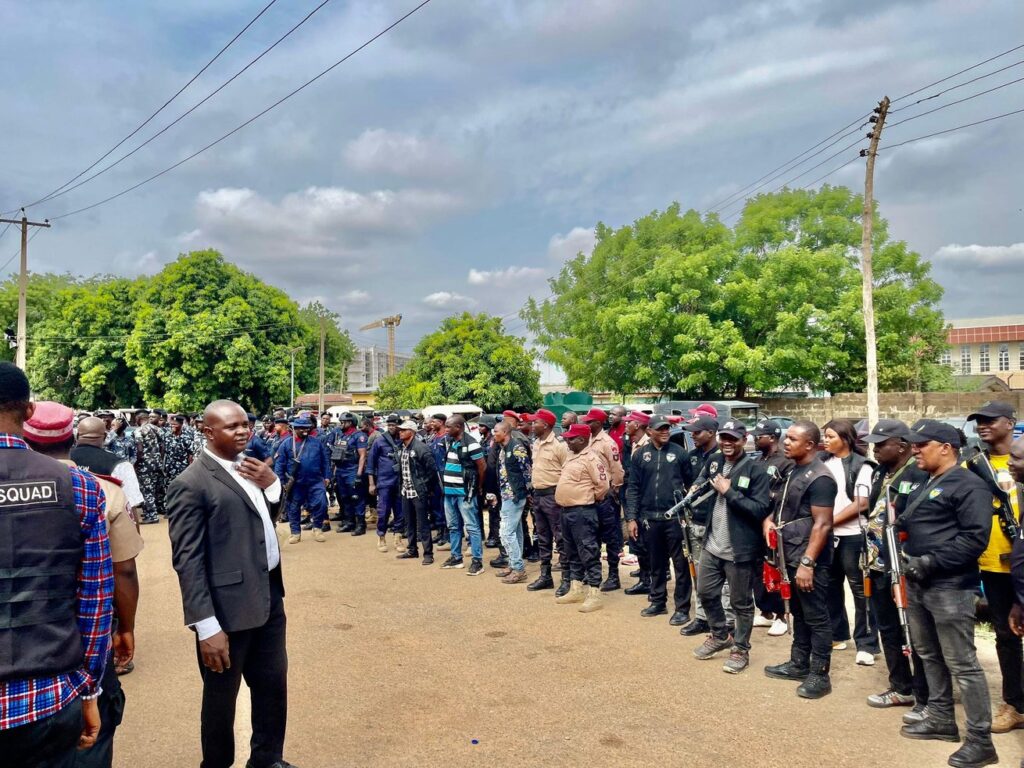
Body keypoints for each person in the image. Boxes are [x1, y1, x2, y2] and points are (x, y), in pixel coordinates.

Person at [167, 400, 297, 768]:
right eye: (232, 426)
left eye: (245, 424)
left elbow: (259, 521)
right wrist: (206, 625)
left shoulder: (250, 467)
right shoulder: (191, 483)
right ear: (208, 432)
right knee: (221, 700)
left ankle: (267, 759)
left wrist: (273, 487)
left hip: (268, 597)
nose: (243, 431)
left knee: (272, 686)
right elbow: (187, 560)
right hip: (226, 610)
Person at [0, 364, 114, 766]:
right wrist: (90, 689)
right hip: (48, 700)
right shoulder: (79, 487)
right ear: (29, 412)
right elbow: (95, 602)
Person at [23, 404, 144, 768]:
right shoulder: (101, 489)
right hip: (87, 635)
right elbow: (124, 571)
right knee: (92, 737)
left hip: (27, 637)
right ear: (70, 437)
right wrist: (125, 627)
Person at [898, 419, 997, 768]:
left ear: (946, 448)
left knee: (963, 664)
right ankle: (941, 719)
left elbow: (974, 538)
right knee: (927, 653)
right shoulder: (928, 479)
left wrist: (930, 562)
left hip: (950, 586)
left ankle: (981, 741)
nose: (915, 450)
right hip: (919, 582)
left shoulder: (970, 485)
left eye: (921, 444)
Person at [860, 419, 931, 716]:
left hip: (904, 565)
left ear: (902, 446)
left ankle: (926, 696)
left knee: (916, 633)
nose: (874, 450)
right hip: (877, 564)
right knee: (888, 628)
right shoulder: (879, 471)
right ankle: (901, 686)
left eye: (881, 444)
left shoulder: (919, 473)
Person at [763, 421, 837, 699]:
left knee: (816, 616)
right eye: (787, 437)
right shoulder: (793, 469)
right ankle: (798, 663)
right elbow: (781, 507)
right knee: (799, 611)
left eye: (793, 439)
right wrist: (769, 521)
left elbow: (823, 524)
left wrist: (808, 563)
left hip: (809, 559)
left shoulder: (821, 478)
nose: (786, 442)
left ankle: (820, 675)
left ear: (810, 445)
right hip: (789, 554)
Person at [692, 420, 772, 674]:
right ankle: (720, 635)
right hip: (712, 544)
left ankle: (740, 649)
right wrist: (696, 486)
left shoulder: (756, 470)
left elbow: (760, 509)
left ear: (744, 440)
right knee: (705, 592)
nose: (727, 443)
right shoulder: (715, 460)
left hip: (740, 550)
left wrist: (729, 492)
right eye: (724, 438)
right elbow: (704, 476)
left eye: (733, 439)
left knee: (741, 603)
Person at [963, 401, 1024, 733]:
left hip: (1021, 562)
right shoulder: (973, 464)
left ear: (1010, 423)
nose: (982, 426)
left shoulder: (1020, 461)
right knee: (1006, 636)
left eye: (990, 420)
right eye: (979, 421)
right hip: (993, 566)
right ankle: (1015, 704)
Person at [820, 418, 879, 665]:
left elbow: (861, 503)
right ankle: (837, 635)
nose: (825, 440)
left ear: (845, 439)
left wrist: (829, 522)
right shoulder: (823, 463)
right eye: (824, 436)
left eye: (830, 436)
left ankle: (867, 644)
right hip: (828, 537)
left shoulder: (861, 466)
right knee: (830, 586)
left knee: (860, 590)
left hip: (853, 536)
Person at [624, 416, 693, 625]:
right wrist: (631, 518)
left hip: (675, 519)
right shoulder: (640, 455)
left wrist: (688, 514)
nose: (665, 432)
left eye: (667, 428)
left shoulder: (680, 453)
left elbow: (691, 485)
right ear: (649, 432)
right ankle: (658, 601)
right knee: (656, 563)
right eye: (660, 429)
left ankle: (682, 608)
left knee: (681, 565)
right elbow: (633, 488)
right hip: (650, 519)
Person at [554, 423, 609, 612]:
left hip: (582, 511)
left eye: (571, 438)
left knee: (588, 551)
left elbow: (603, 486)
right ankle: (576, 589)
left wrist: (588, 498)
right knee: (571, 551)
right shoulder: (571, 455)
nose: (567, 441)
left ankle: (594, 593)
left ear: (582, 439)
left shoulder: (592, 458)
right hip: (566, 511)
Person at [679, 414, 721, 636]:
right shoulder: (692, 456)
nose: (693, 436)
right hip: (695, 520)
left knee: (721, 578)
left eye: (697, 432)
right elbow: (689, 486)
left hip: (718, 524)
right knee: (698, 571)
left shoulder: (723, 456)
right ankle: (702, 617)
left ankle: (724, 623)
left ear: (711, 433)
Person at [751, 419, 793, 636]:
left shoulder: (785, 462)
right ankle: (765, 611)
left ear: (773, 438)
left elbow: (784, 496)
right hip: (754, 522)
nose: (755, 439)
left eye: (759, 436)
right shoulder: (757, 460)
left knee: (775, 567)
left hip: (774, 523)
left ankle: (782, 615)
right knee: (758, 569)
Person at [580, 407, 625, 591]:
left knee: (611, 537)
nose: (586, 423)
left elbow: (617, 469)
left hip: (606, 496)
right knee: (592, 536)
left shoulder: (607, 442)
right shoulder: (588, 439)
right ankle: (593, 573)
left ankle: (614, 575)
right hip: (589, 495)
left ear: (598, 423)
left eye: (589, 421)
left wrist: (614, 489)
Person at [74, 417, 145, 530]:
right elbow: (130, 506)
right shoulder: (120, 464)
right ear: (105, 436)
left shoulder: (59, 462)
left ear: (77, 435)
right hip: (104, 531)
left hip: (66, 531)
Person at [527, 408, 568, 591]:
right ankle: (545, 576)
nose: (532, 425)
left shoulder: (559, 445)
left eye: (535, 422)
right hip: (538, 495)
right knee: (543, 537)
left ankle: (567, 578)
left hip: (554, 496)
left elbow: (567, 471)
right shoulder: (536, 443)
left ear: (545, 425)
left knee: (561, 538)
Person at [439, 415, 486, 574]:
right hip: (449, 492)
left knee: (472, 527)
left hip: (465, 492)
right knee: (453, 526)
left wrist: (478, 487)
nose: (446, 429)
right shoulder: (452, 441)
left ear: (458, 427)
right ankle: (456, 558)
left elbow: (482, 466)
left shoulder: (471, 443)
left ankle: (477, 561)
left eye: (448, 427)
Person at [274, 417, 331, 544]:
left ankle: (317, 528)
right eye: (301, 428)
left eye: (307, 428)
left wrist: (327, 476)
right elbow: (279, 465)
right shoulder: (286, 444)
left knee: (321, 504)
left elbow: (325, 461)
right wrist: (282, 482)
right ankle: (295, 533)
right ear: (294, 428)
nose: (305, 430)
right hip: (296, 483)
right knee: (293, 507)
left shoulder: (316, 443)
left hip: (315, 481)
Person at [492, 419, 532, 584]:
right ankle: (513, 563)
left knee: (506, 533)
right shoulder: (503, 448)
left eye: (496, 431)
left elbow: (527, 471)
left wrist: (528, 492)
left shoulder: (517, 447)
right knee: (515, 531)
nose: (494, 434)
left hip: (515, 496)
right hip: (507, 495)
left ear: (505, 432)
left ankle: (518, 568)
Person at [395, 419, 440, 565]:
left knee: (423, 524)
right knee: (409, 523)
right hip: (406, 490)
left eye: (403, 430)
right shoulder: (402, 447)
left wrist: (426, 488)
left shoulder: (421, 448)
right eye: (400, 430)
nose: (400, 432)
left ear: (411, 432)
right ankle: (412, 549)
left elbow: (432, 470)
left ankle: (428, 554)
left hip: (418, 491)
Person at [622, 411, 653, 597]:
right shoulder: (634, 443)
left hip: (644, 501)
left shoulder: (648, 445)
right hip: (635, 498)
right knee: (638, 541)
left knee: (646, 542)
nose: (626, 425)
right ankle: (644, 576)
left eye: (630, 422)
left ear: (639, 425)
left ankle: (648, 580)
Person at [367, 414, 405, 553]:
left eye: (394, 425)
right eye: (389, 425)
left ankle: (398, 538)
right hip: (384, 482)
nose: (391, 427)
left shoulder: (403, 439)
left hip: (401, 482)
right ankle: (381, 536)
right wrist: (371, 483)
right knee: (383, 511)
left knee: (400, 512)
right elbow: (370, 463)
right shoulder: (380, 441)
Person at [329, 412, 368, 536]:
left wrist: (359, 474)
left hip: (353, 469)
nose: (341, 424)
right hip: (341, 470)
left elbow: (363, 456)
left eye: (343, 422)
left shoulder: (359, 436)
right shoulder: (341, 436)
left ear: (350, 423)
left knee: (356, 497)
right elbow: (337, 455)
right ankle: (349, 522)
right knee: (344, 497)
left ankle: (361, 525)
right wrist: (334, 473)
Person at [133, 410, 166, 524]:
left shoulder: (139, 430)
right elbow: (163, 447)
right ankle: (153, 511)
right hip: (157, 463)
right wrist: (159, 458)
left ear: (139, 419)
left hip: (145, 465)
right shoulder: (158, 429)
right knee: (154, 489)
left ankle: (151, 516)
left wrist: (136, 463)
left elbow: (139, 449)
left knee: (146, 490)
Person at [164, 414, 195, 486]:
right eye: (171, 424)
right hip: (169, 467)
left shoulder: (187, 437)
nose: (172, 426)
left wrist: (190, 468)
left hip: (182, 467)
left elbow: (190, 454)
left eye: (175, 424)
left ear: (181, 424)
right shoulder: (167, 435)